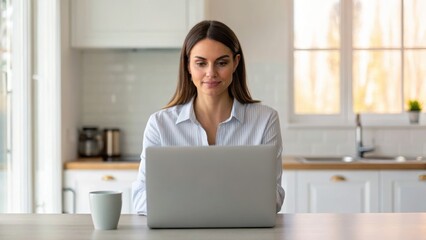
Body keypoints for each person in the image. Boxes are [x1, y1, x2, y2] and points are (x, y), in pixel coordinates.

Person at [132, 20, 285, 215]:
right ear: (187, 65)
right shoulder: (160, 124)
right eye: (201, 63)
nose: (211, 73)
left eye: (221, 63)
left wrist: (186, 199)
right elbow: (140, 199)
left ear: (235, 63)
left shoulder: (265, 120)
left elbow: (273, 198)